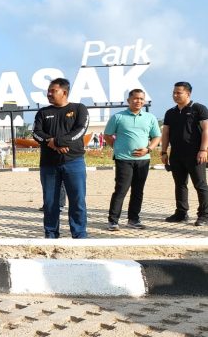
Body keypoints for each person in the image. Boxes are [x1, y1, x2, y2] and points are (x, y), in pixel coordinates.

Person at [32, 78, 90, 239]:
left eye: (53, 91)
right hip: (49, 165)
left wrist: (57, 141)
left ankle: (79, 234)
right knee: (50, 202)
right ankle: (51, 234)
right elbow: (36, 133)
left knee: (77, 200)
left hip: (74, 162)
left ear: (64, 92)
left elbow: (80, 131)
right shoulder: (43, 113)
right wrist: (52, 143)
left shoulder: (79, 109)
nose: (49, 94)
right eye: (48, 91)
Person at [103, 89, 161, 231]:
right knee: (121, 189)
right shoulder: (118, 117)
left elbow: (156, 137)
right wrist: (118, 147)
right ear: (129, 100)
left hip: (143, 160)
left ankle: (133, 220)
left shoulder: (150, 118)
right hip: (123, 159)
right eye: (135, 98)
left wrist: (148, 149)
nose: (138, 101)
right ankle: (113, 221)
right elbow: (107, 135)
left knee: (138, 190)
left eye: (141, 99)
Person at [161, 81, 208, 226]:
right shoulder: (170, 112)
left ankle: (204, 215)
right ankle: (181, 213)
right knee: (180, 184)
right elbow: (166, 132)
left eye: (178, 92)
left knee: (200, 185)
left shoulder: (198, 109)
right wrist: (164, 152)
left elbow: (206, 130)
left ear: (188, 93)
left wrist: (203, 150)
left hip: (195, 154)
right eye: (174, 92)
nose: (175, 95)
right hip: (176, 155)